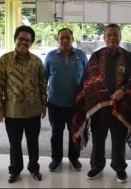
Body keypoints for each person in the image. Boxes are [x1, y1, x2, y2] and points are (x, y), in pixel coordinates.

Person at [71, 23, 131, 183]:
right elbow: (88, 80)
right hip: (99, 107)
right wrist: (99, 96)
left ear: (120, 37)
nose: (112, 37)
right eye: (109, 35)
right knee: (98, 138)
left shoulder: (129, 57)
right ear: (104, 38)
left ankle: (119, 168)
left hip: (120, 106)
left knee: (119, 139)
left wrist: (123, 90)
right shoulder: (96, 56)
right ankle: (96, 166)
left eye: (115, 34)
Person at [0, 25, 47, 183]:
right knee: (14, 143)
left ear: (31, 43)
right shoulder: (5, 60)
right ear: (15, 40)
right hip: (12, 110)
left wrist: (44, 103)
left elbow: (43, 83)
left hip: (33, 110)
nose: (24, 42)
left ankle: (34, 168)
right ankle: (15, 170)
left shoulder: (37, 61)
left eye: (27, 40)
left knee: (33, 142)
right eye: (21, 39)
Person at [44, 28, 88, 171]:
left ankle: (74, 158)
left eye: (67, 38)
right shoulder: (50, 56)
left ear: (72, 39)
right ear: (57, 40)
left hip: (76, 105)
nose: (64, 40)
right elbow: (44, 78)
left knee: (75, 133)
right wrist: (43, 99)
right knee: (56, 134)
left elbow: (88, 78)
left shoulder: (81, 55)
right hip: (55, 104)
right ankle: (56, 159)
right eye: (61, 38)